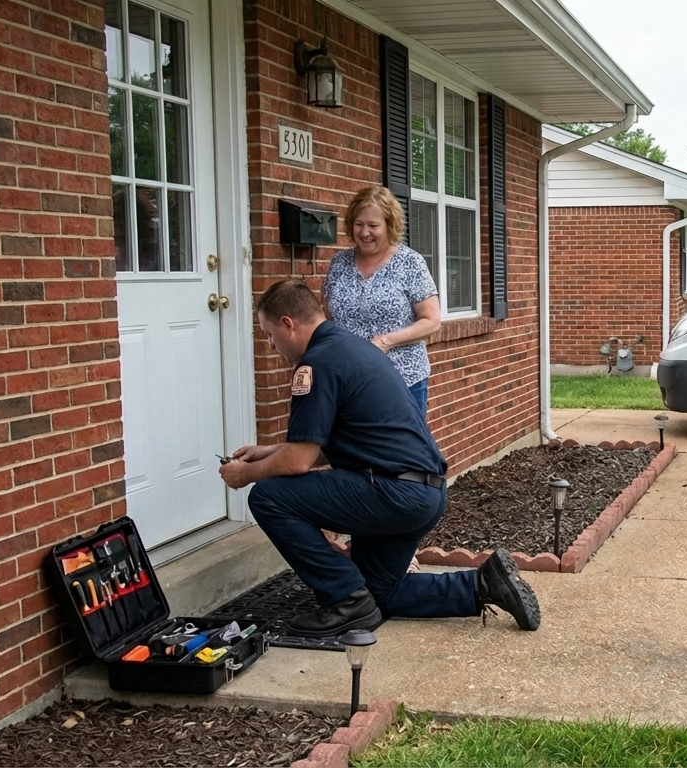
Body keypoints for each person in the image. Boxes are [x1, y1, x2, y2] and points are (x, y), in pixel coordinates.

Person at [220, 279, 539, 637]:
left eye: (269, 333)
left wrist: (245, 475)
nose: (270, 344)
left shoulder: (315, 364)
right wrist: (269, 451)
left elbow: (298, 462)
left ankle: (344, 599)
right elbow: (330, 445)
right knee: (379, 593)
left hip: (391, 493)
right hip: (425, 493)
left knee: (267, 496)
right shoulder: (352, 348)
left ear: (288, 323)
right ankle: (484, 584)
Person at [323, 185, 440, 415]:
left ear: (390, 226)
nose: (365, 232)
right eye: (359, 224)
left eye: (373, 225)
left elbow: (432, 321)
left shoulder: (410, 263)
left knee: (402, 450)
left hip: (401, 380)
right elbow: (328, 316)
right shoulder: (339, 263)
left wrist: (386, 341)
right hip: (349, 381)